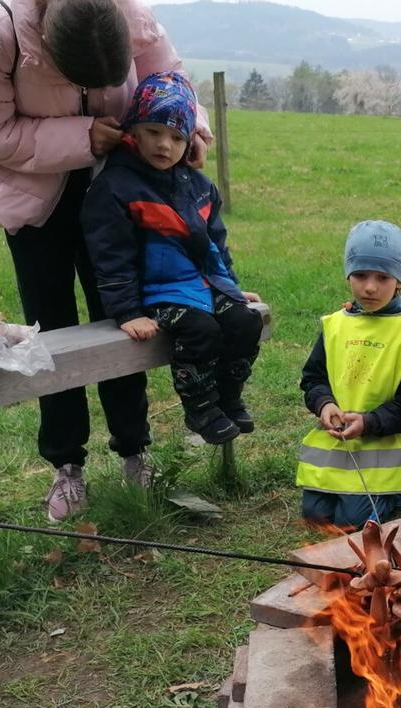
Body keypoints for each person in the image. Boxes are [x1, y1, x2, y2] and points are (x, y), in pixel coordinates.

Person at [0, 0, 212, 521]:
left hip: (115, 191)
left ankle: (135, 452)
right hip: (33, 199)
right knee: (51, 332)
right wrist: (80, 137)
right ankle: (66, 465)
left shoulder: (129, 10)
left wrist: (194, 127)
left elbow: (168, 77)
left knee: (124, 319)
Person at [81, 71, 262, 445]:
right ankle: (201, 408)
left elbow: (216, 244)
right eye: (153, 131)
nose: (165, 145)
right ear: (133, 129)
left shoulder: (198, 186)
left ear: (190, 141)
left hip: (201, 284)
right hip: (157, 295)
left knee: (245, 322)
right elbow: (111, 255)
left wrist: (231, 288)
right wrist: (128, 311)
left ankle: (228, 398)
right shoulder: (115, 187)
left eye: (178, 137)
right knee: (201, 330)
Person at [296, 221, 401, 529]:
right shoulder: (333, 325)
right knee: (315, 516)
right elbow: (313, 378)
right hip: (339, 446)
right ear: (348, 275)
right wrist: (324, 404)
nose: (370, 287)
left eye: (383, 277)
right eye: (360, 275)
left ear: (399, 281)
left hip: (386, 451)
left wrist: (369, 422)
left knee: (351, 522)